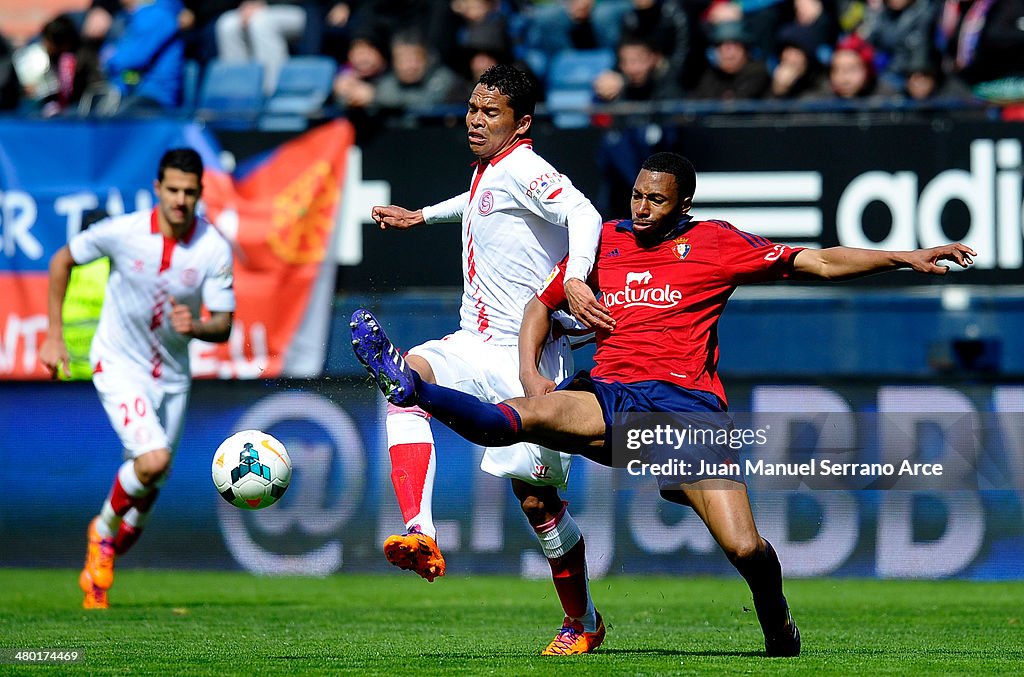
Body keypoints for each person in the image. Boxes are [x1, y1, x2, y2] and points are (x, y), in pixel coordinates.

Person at [351, 151, 977, 656]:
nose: (642, 207)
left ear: (684, 204)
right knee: (523, 419)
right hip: (613, 391)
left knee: (744, 550)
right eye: (637, 195)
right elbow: (540, 304)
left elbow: (817, 260)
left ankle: (777, 619)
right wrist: (530, 373)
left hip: (687, 411)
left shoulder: (715, 243)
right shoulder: (606, 245)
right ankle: (413, 389)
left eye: (657, 199)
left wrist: (904, 255)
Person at [364, 63, 610, 655]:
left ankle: (584, 620)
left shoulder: (527, 167)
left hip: (528, 357)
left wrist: (575, 280)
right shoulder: (492, 171)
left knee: (539, 502)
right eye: (473, 110)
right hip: (472, 341)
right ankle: (420, 530)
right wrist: (422, 215)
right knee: (405, 381)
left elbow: (586, 215)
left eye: (489, 113)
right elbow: (479, 202)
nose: (475, 121)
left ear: (520, 123)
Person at [39, 148, 235, 610]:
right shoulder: (123, 233)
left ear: (200, 192)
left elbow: (223, 323)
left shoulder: (213, 248)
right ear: (157, 189)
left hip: (172, 375)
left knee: (153, 477)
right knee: (151, 461)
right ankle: (101, 531)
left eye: (190, 192)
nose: (181, 200)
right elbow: (61, 261)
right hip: (118, 362)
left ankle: (103, 562)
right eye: (173, 190)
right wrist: (54, 335)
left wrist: (198, 327)